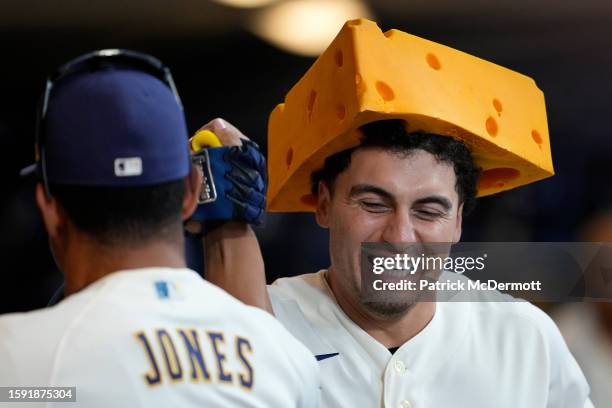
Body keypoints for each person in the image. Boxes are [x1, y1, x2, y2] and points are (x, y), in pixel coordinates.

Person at [0, 50, 319, 408]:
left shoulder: (15, 363)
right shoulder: (287, 360)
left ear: (48, 208)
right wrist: (229, 223)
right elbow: (255, 353)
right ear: (190, 192)